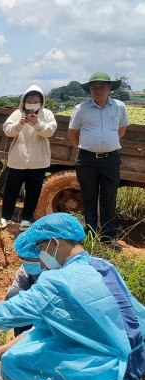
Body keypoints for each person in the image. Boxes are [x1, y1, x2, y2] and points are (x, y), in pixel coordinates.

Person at [0, 213, 145, 380]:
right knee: (43, 341)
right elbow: (42, 329)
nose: (42, 257)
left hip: (111, 374)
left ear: (54, 243)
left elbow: (18, 309)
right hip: (135, 364)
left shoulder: (59, 280)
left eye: (42, 249)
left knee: (14, 362)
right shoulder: (104, 266)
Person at [69, 72, 129, 249]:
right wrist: (90, 148)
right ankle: (91, 235)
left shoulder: (119, 107)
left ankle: (109, 237)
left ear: (110, 88)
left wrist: (105, 146)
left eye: (102, 86)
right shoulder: (81, 108)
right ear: (89, 90)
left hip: (111, 159)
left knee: (109, 198)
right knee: (89, 197)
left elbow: (121, 131)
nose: (98, 90)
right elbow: (72, 135)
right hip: (87, 160)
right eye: (94, 86)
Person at [0, 86, 57, 231]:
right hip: (17, 160)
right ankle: (5, 217)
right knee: (11, 190)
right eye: (29, 100)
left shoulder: (47, 114)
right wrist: (19, 124)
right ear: (24, 101)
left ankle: (26, 219)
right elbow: (8, 131)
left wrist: (37, 123)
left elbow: (49, 132)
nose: (32, 103)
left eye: (36, 101)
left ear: (41, 102)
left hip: (39, 162)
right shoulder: (17, 114)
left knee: (33, 191)